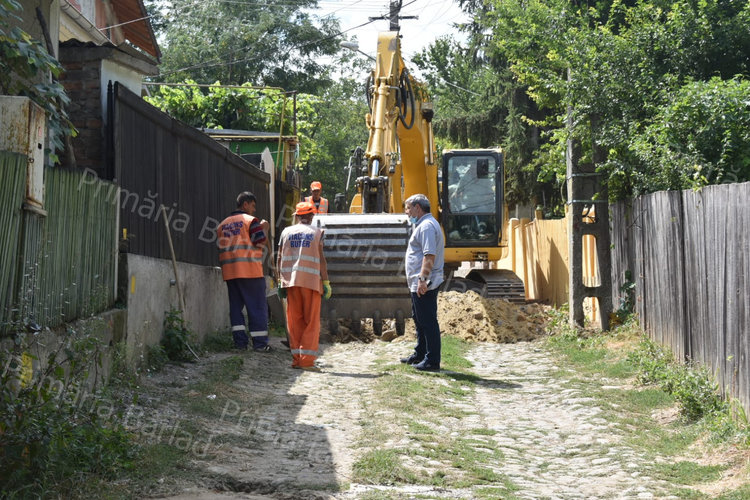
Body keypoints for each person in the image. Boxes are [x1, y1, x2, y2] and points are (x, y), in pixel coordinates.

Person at [276, 201, 331, 371]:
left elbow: (279, 258)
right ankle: (307, 361)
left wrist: (280, 281)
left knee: (295, 321)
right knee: (311, 322)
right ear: (311, 216)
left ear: (298, 216)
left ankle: (297, 360)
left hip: (291, 283)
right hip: (311, 283)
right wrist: (326, 281)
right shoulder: (317, 233)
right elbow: (321, 259)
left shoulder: (286, 232)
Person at [216, 191, 272, 352]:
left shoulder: (222, 225)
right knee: (257, 307)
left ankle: (240, 344)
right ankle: (260, 344)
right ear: (245, 204)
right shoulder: (250, 221)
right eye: (253, 206)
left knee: (236, 309)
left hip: (230, 273)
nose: (254, 210)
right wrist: (265, 229)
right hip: (250, 272)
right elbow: (260, 243)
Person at [400, 194, 444, 372]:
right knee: (419, 319)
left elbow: (429, 255)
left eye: (408, 208)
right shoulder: (425, 224)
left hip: (425, 282)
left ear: (417, 208)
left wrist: (422, 279)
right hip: (419, 281)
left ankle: (432, 360)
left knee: (427, 320)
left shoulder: (426, 226)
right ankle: (421, 353)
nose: (406, 212)